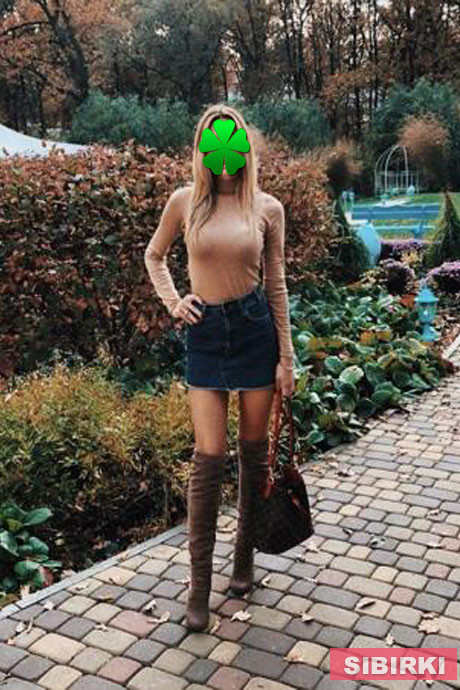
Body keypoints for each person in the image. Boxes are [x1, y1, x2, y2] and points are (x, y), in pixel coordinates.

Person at [144, 103, 296, 632]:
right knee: (207, 459)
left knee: (253, 458)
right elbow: (154, 256)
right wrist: (174, 302)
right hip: (206, 335)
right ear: (203, 151)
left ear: (244, 149)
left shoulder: (267, 208)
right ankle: (199, 590)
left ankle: (244, 565)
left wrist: (286, 358)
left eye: (233, 145)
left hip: (255, 332)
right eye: (214, 146)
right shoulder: (185, 202)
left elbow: (276, 283)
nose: (225, 157)